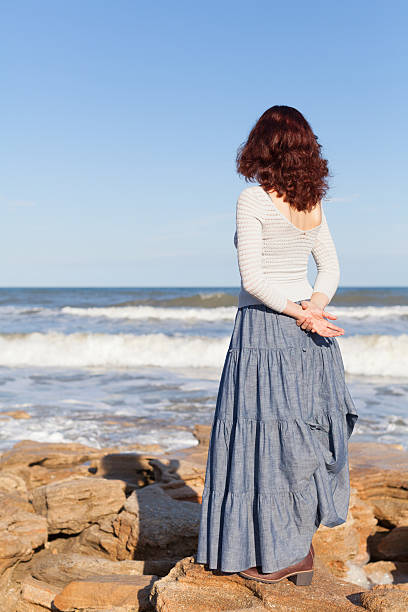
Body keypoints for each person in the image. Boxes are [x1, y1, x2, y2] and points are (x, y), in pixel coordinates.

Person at [195, 105, 359, 586]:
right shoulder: (313, 204)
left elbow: (253, 279)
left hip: (267, 331)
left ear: (262, 147)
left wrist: (300, 311)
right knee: (297, 443)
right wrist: (314, 306)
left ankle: (276, 553)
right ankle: (296, 551)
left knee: (263, 442)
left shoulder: (253, 200)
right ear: (307, 150)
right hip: (309, 336)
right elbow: (329, 269)